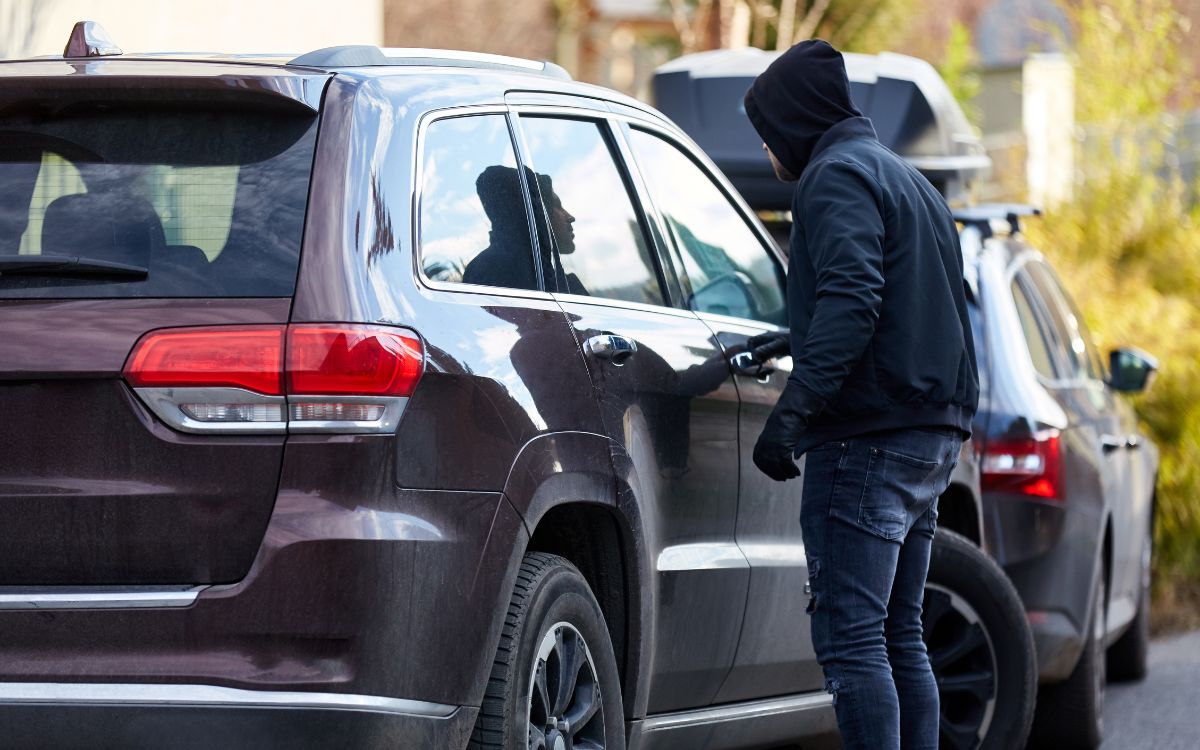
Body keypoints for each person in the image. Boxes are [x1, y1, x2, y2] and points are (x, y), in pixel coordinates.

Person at [742, 40, 979, 750]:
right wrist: (792, 338)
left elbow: (854, 298)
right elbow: (902, 307)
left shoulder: (833, 176)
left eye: (768, 125)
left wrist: (792, 414)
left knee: (851, 642)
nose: (764, 142)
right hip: (929, 438)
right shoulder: (910, 184)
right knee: (900, 635)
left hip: (866, 442)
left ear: (797, 121)